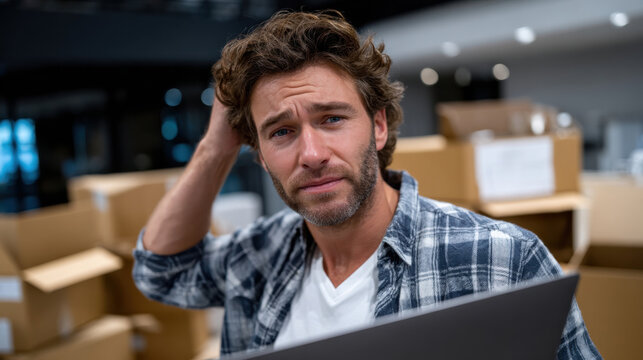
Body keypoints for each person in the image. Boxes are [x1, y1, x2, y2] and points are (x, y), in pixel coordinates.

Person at [133, 10, 601, 359]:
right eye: (281, 132)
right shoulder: (260, 255)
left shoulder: (501, 260)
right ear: (257, 152)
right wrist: (217, 148)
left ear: (378, 126)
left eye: (332, 118)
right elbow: (160, 273)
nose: (312, 154)